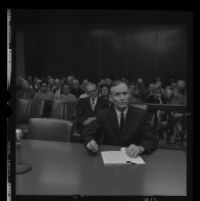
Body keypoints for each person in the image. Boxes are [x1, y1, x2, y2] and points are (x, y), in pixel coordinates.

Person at [83, 80, 158, 157]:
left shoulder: (140, 114)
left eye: (125, 93)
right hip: (110, 158)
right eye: (117, 95)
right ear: (111, 98)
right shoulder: (103, 114)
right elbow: (89, 134)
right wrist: (91, 142)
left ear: (129, 95)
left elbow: (151, 140)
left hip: (133, 159)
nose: (122, 98)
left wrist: (140, 148)